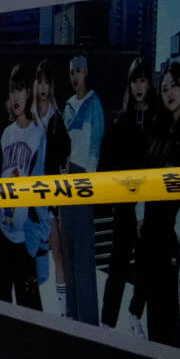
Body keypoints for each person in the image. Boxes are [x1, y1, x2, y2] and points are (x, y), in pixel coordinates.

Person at [0, 64, 48, 309]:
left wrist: (38, 239)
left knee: (31, 311)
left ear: (28, 94)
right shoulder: (6, 134)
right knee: (1, 308)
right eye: (12, 90)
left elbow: (45, 189)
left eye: (20, 89)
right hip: (2, 237)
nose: (15, 96)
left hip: (26, 240)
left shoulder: (38, 135)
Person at [101, 57, 153, 329]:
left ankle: (136, 318)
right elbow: (107, 163)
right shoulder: (121, 120)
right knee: (118, 265)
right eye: (135, 80)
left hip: (151, 205)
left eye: (143, 80)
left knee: (145, 267)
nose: (139, 86)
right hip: (124, 205)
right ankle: (106, 323)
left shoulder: (158, 119)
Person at [137, 60, 180, 348]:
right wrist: (141, 212)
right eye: (164, 87)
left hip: (174, 235)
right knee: (155, 310)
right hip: (154, 230)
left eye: (175, 86)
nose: (169, 93)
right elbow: (145, 175)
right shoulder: (159, 128)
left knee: (171, 310)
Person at [58, 54, 105, 323]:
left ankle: (88, 319)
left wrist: (90, 185)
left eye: (78, 70)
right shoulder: (67, 106)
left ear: (86, 72)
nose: (75, 76)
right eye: (71, 72)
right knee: (68, 249)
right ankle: (74, 316)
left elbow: (95, 147)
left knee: (83, 256)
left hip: (84, 180)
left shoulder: (93, 104)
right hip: (65, 180)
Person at [33, 59, 73, 311]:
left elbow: (66, 155)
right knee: (32, 255)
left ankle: (61, 307)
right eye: (41, 82)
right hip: (30, 193)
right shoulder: (28, 116)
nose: (44, 87)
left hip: (52, 195)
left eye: (48, 83)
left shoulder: (58, 119)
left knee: (57, 253)